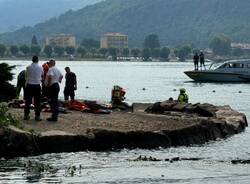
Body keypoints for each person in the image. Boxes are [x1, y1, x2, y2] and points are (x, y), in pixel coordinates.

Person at [24, 56, 44, 121]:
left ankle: (26, 115)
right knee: (37, 102)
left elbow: (26, 76)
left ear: (32, 60)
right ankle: (37, 116)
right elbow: (42, 75)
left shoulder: (28, 67)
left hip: (29, 85)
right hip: (37, 85)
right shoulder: (41, 67)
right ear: (37, 60)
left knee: (28, 101)